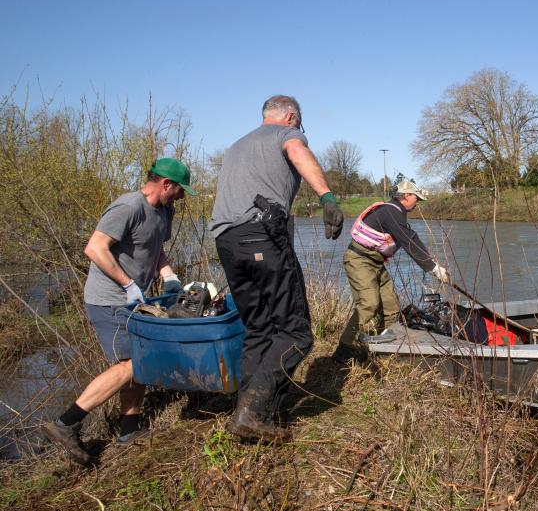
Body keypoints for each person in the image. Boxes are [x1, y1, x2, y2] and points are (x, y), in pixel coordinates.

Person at [41, 158, 195, 466]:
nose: (181, 197)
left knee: (137, 364)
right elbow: (95, 248)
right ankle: (66, 423)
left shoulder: (166, 211)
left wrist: (169, 275)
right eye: (179, 190)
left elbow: (156, 248)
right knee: (134, 363)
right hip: (108, 299)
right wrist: (128, 284)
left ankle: (128, 433)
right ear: (165, 184)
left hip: (134, 301)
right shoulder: (128, 207)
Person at [211, 95, 344, 443]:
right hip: (262, 235)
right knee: (295, 334)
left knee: (258, 330)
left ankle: (247, 409)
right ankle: (253, 413)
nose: (299, 130)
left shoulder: (237, 146)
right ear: (290, 117)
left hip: (226, 241)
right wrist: (327, 197)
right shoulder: (285, 136)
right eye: (299, 124)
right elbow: (299, 153)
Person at [332, 179, 449, 363]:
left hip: (376, 263)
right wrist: (433, 268)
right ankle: (344, 350)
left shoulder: (395, 213)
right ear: (406, 196)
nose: (417, 202)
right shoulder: (390, 212)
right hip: (359, 260)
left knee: (391, 306)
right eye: (416, 198)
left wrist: (432, 265)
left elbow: (411, 237)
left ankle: (382, 348)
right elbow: (409, 239)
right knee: (369, 304)